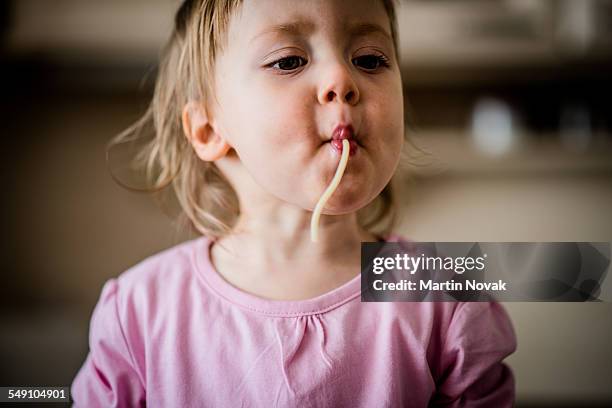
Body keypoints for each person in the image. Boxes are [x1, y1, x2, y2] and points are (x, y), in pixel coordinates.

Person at [71, 0, 516, 406]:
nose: (342, 80)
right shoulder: (140, 311)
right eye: (288, 61)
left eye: (369, 59)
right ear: (208, 129)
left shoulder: (446, 295)